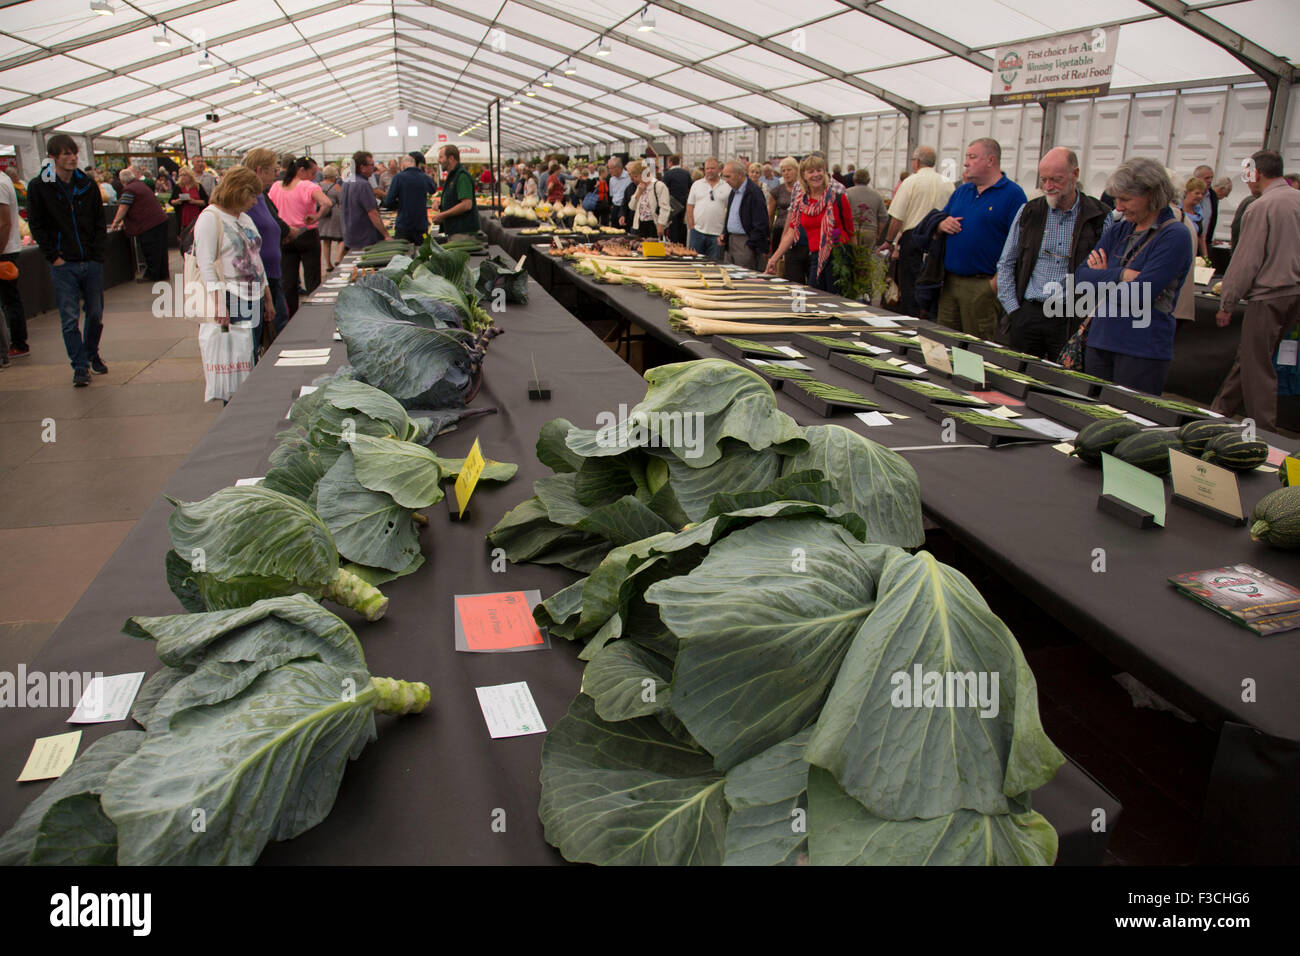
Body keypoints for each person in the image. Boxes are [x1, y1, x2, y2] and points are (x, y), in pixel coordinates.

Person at [1075, 157, 1192, 394]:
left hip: (1141, 349)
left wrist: (1104, 276)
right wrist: (1122, 274)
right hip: (1101, 340)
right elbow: (1080, 278)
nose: (1118, 207)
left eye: (1126, 199)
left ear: (1151, 194)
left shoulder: (1175, 236)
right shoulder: (1120, 229)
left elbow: (1140, 295)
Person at [1210, 149, 1300, 431]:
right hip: (1294, 293)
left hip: (1269, 294)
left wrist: (1228, 302)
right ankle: (1218, 411)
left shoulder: (1261, 207)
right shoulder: (1297, 200)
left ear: (1257, 173)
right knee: (1250, 356)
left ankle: (1266, 432)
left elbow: (1247, 260)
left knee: (1257, 364)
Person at [994, 147, 1109, 359]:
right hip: (1029, 312)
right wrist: (1014, 311)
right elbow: (1006, 263)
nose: (1048, 186)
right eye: (1044, 179)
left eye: (1056, 179)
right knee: (1018, 380)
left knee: (1064, 385)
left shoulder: (1099, 217)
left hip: (1070, 316)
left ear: (1075, 174)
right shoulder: (1029, 212)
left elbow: (1107, 272)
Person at [27, 135, 107, 385]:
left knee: (94, 313)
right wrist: (54, 256)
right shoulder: (40, 186)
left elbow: (98, 222)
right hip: (64, 264)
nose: (72, 158)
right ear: (53, 158)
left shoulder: (87, 184)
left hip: (89, 261)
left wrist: (96, 255)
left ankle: (91, 352)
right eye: (66, 154)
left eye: (74, 153)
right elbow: (36, 224)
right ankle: (80, 366)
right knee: (70, 318)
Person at [932, 138, 1027, 339]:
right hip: (950, 282)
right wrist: (941, 224)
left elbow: (1022, 244)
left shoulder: (1013, 195)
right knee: (943, 342)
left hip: (983, 285)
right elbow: (942, 217)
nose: (966, 163)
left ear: (991, 160)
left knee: (977, 349)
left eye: (972, 157)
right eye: (966, 157)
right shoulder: (962, 191)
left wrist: (994, 285)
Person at [193, 166, 272, 366]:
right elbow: (206, 264)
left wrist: (267, 294)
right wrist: (219, 304)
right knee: (238, 361)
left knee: (252, 354)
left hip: (255, 295)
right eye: (252, 196)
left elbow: (256, 257)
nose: (255, 202)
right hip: (233, 296)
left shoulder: (244, 218)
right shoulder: (210, 218)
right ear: (239, 191)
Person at [880, 146, 954, 316]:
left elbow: (897, 217)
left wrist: (889, 241)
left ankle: (910, 321)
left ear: (917, 162)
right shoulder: (947, 183)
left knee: (910, 284)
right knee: (933, 281)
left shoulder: (911, 182)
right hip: (939, 238)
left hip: (913, 238)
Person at [767, 154, 854, 293]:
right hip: (815, 256)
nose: (816, 175)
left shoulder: (838, 198)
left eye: (819, 170)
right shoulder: (801, 202)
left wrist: (857, 264)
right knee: (814, 298)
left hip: (838, 257)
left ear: (825, 172)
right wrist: (774, 258)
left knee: (835, 301)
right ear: (804, 175)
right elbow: (791, 231)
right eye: (811, 171)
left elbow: (851, 231)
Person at [269, 156, 331, 316]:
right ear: (301, 170)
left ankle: (291, 316)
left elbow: (270, 208)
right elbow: (327, 203)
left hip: (285, 236)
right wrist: (317, 216)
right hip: (306, 234)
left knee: (288, 281)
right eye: (312, 173)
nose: (313, 177)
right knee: (312, 277)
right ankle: (315, 315)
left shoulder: (276, 186)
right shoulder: (307, 186)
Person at [242, 148, 292, 337]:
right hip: (260, 277)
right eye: (272, 169)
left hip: (271, 273)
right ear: (259, 170)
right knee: (274, 325)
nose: (276, 173)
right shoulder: (250, 198)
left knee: (279, 320)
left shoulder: (262, 195)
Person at [109, 167, 170, 281]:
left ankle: (152, 275)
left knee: (151, 250)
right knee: (161, 250)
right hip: (160, 220)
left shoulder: (129, 190)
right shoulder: (140, 185)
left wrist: (115, 223)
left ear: (123, 181)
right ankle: (163, 273)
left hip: (148, 224)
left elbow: (123, 208)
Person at [720, 160, 770, 270]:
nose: (726, 181)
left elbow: (761, 221)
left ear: (739, 174)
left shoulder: (754, 192)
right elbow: (730, 214)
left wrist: (751, 244)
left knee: (742, 277)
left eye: (728, 177)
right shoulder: (734, 191)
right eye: (724, 177)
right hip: (731, 241)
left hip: (745, 241)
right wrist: (725, 234)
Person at [341, 150, 390, 254]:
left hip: (350, 234)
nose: (373, 167)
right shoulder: (363, 184)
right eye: (371, 165)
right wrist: (386, 235)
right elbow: (372, 213)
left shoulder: (347, 182)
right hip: (364, 236)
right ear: (362, 167)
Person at [0, 168, 27, 358]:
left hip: (5, 251)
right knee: (10, 299)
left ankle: (17, 344)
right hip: (8, 248)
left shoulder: (1, 184)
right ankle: (17, 342)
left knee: (9, 300)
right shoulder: (5, 180)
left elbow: (4, 222)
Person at [769, 157, 807, 281]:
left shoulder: (800, 187)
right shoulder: (777, 190)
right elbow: (771, 212)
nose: (786, 173)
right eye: (783, 171)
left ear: (797, 171)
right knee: (784, 270)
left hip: (798, 232)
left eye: (789, 170)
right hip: (781, 230)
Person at [383, 154, 435, 243]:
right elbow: (433, 190)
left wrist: (399, 205)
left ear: (403, 165)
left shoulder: (399, 177)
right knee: (423, 251)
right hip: (421, 226)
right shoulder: (424, 177)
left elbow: (388, 202)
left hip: (404, 226)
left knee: (403, 253)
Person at [686, 157, 730, 261]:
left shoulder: (727, 186)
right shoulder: (696, 185)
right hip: (697, 232)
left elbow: (730, 209)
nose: (709, 171)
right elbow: (690, 206)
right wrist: (692, 226)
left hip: (717, 234)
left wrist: (725, 231)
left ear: (719, 170)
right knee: (695, 263)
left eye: (712, 168)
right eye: (707, 168)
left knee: (714, 265)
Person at [432, 144, 479, 237]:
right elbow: (454, 201)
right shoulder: (453, 176)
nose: (439, 160)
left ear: (451, 158)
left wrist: (443, 215)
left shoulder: (462, 176)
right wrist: (440, 205)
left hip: (463, 233)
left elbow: (467, 204)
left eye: (441, 157)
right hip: (455, 230)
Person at [627, 160, 671, 238]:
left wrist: (661, 225)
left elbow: (665, 207)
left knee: (654, 248)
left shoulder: (659, 186)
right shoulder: (640, 187)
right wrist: (638, 193)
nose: (635, 179)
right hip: (640, 224)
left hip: (654, 224)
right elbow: (631, 207)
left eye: (636, 176)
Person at [844, 167, 886, 249]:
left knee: (851, 258)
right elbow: (884, 217)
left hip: (851, 231)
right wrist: (878, 234)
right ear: (869, 180)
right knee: (866, 259)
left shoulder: (847, 193)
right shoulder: (877, 195)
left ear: (854, 179)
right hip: (870, 232)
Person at [316, 165, 344, 271]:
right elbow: (341, 202)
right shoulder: (336, 187)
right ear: (334, 175)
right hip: (335, 214)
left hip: (323, 214)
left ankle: (328, 264)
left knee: (326, 240)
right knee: (341, 238)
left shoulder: (317, 186)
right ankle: (338, 259)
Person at [662, 153, 692, 244]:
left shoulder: (668, 174)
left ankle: (674, 244)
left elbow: (663, 189)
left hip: (672, 205)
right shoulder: (686, 173)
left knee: (673, 227)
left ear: (670, 162)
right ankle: (682, 245)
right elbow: (690, 187)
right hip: (684, 204)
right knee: (682, 226)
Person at [169, 166, 208, 236]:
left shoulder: (198, 186)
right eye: (181, 175)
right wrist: (178, 201)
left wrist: (194, 201)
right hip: (183, 217)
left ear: (190, 175)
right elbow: (171, 201)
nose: (182, 177)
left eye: (185, 175)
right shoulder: (178, 187)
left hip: (196, 216)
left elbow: (205, 201)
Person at [1181, 176, 1210, 259]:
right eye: (1197, 193)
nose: (1200, 196)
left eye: (1202, 194)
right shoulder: (1178, 211)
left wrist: (1205, 257)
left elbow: (1201, 236)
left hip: (1192, 254)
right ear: (1187, 193)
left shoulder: (1198, 212)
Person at [1192, 165, 1218, 245]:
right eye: (1207, 178)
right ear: (1197, 179)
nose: (1210, 180)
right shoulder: (1187, 194)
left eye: (1211, 177)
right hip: (1189, 241)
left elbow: (1212, 219)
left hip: (1204, 242)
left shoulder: (1212, 196)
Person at [606, 156, 633, 230]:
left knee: (624, 230)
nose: (609, 171)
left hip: (625, 208)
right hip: (615, 208)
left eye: (610, 168)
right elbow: (612, 194)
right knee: (614, 230)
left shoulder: (629, 177)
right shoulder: (612, 179)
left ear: (617, 168)